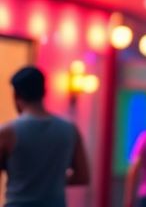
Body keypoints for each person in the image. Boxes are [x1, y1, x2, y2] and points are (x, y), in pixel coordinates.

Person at [0, 66, 90, 206]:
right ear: (44, 92)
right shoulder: (69, 130)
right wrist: (53, 179)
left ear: (16, 95)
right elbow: (82, 176)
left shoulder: (7, 132)